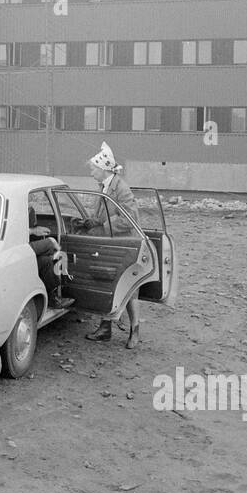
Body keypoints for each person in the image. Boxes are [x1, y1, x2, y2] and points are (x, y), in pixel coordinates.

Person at [85, 142, 142, 345]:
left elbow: (130, 218)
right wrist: (91, 222)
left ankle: (135, 330)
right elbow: (102, 214)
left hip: (124, 245)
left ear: (103, 170)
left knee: (128, 288)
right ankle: (105, 328)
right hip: (110, 244)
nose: (91, 173)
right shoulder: (104, 186)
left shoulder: (121, 189)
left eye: (93, 169)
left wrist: (104, 226)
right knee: (106, 284)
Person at [29, 207, 73, 309]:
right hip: (16, 254)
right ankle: (55, 290)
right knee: (51, 244)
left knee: (48, 261)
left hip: (21, 254)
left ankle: (51, 296)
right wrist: (32, 231)